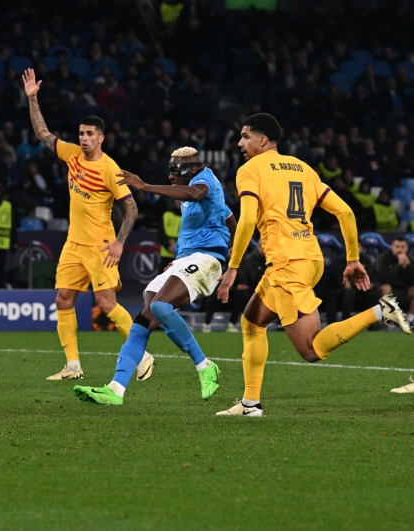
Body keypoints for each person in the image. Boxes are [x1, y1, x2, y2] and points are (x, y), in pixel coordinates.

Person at [215, 113, 409, 417]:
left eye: (245, 136)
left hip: (286, 263)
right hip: (310, 256)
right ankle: (250, 403)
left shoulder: (249, 170)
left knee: (310, 350)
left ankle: (379, 311)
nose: (240, 143)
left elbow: (249, 219)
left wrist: (233, 266)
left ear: (262, 140)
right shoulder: (301, 168)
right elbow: (345, 212)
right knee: (252, 322)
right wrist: (353, 258)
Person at [73, 147, 235, 405]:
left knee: (161, 304)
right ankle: (116, 388)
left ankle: (205, 366)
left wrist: (229, 263)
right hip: (186, 260)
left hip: (207, 260)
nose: (171, 176)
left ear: (192, 169)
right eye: (169, 170)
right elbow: (229, 217)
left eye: (175, 171)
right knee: (145, 314)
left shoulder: (204, 179)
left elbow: (195, 193)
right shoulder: (195, 194)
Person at [22, 68, 142, 381]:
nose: (84, 138)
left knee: (106, 305)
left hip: (101, 247)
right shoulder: (72, 155)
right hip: (74, 245)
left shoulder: (109, 168)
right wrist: (33, 99)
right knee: (63, 299)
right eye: (81, 133)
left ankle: (141, 355)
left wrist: (119, 242)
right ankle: (72, 366)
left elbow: (131, 208)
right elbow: (42, 135)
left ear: (101, 138)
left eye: (90, 134)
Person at [375, 237, 414, 324]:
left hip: (404, 293)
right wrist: (398, 266)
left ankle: (411, 321)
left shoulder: (410, 260)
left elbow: (412, 281)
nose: (399, 249)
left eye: (403, 247)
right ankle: (389, 320)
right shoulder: (383, 258)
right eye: (397, 246)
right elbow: (384, 279)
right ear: (392, 246)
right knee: (386, 287)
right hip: (389, 291)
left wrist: (408, 268)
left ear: (407, 248)